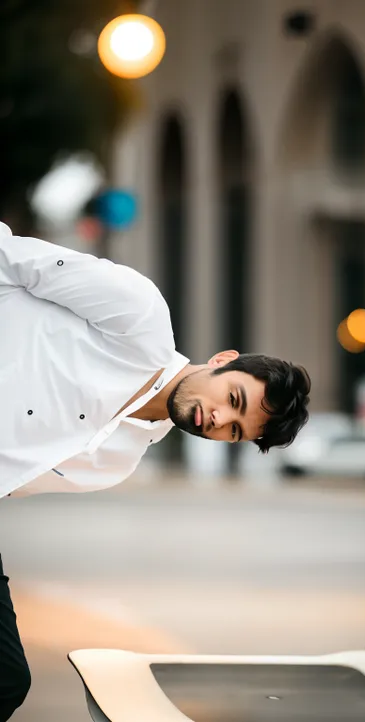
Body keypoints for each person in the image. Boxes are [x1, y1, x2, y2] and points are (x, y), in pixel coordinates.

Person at [0, 221, 310, 720]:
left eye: (234, 430)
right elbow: (10, 256)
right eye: (233, 399)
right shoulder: (140, 314)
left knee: (5, 678)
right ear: (223, 360)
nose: (219, 420)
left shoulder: (116, 462)